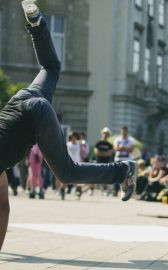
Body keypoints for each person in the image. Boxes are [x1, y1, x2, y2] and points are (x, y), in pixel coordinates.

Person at [0, 2, 137, 248]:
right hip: (23, 99)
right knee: (51, 67)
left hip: (36, 115)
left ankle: (123, 171)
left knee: (67, 172)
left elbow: (2, 211)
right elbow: (3, 209)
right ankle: (36, 21)